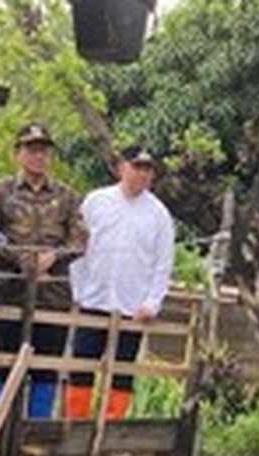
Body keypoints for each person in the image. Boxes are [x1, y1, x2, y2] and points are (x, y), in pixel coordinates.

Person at [67, 145, 174, 421]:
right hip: (93, 298)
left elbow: (163, 263)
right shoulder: (96, 201)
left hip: (132, 306)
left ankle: (114, 428)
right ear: (121, 168)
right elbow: (77, 247)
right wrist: (77, 290)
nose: (142, 174)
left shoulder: (159, 214)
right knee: (81, 366)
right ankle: (72, 424)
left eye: (147, 169)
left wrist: (152, 302)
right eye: (136, 167)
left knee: (122, 372)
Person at [0, 123, 82, 419]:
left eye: (43, 150)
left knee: (46, 369)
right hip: (9, 292)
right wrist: (20, 259)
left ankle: (37, 433)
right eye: (31, 149)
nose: (37, 156)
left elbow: (79, 239)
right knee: (5, 364)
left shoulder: (67, 196)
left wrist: (54, 256)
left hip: (53, 294)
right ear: (18, 153)